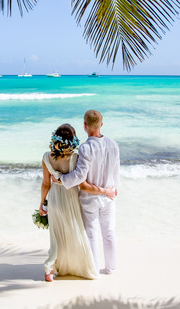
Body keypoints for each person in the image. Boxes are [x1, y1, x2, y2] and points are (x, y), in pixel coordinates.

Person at [39, 123, 115, 282]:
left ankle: (50, 268)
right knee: (74, 234)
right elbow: (80, 182)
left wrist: (42, 203)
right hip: (71, 200)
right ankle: (78, 266)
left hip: (54, 199)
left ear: (55, 138)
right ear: (72, 140)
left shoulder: (46, 157)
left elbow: (46, 184)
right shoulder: (75, 158)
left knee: (57, 236)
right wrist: (105, 189)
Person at [59, 110, 120, 275]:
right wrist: (114, 190)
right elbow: (116, 172)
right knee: (109, 233)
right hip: (108, 196)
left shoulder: (86, 148)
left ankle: (94, 269)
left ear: (85, 126)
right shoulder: (113, 144)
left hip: (90, 199)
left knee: (91, 234)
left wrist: (61, 179)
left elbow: (79, 176)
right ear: (101, 124)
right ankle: (111, 268)